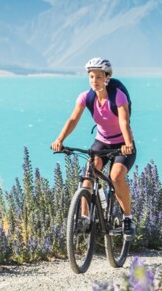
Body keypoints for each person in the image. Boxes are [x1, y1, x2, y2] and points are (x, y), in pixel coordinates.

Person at [51, 57, 136, 236]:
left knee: (116, 176)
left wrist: (128, 144)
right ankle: (85, 218)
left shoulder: (117, 96)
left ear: (107, 77)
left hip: (122, 144)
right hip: (102, 142)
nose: (94, 81)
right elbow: (73, 119)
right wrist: (60, 140)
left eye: (98, 77)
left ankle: (127, 218)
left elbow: (124, 122)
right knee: (88, 177)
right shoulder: (86, 97)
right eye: (91, 77)